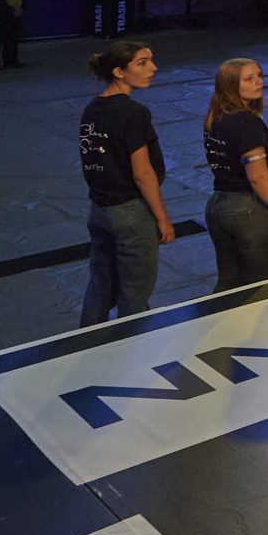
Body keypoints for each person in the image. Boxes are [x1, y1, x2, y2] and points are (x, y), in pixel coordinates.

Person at [78, 41, 173, 323]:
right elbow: (142, 172)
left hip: (99, 210)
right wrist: (162, 219)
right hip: (131, 213)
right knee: (134, 294)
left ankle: (85, 344)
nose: (153, 68)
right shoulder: (133, 113)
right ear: (119, 71)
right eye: (142, 63)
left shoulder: (92, 109)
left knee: (100, 287)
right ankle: (131, 353)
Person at [203, 57, 268, 292]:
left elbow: (236, 152)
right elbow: (258, 176)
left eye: (259, 75)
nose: (258, 82)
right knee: (258, 286)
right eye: (249, 78)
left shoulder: (216, 117)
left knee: (229, 281)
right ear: (232, 85)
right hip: (249, 209)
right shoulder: (248, 124)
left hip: (219, 206)